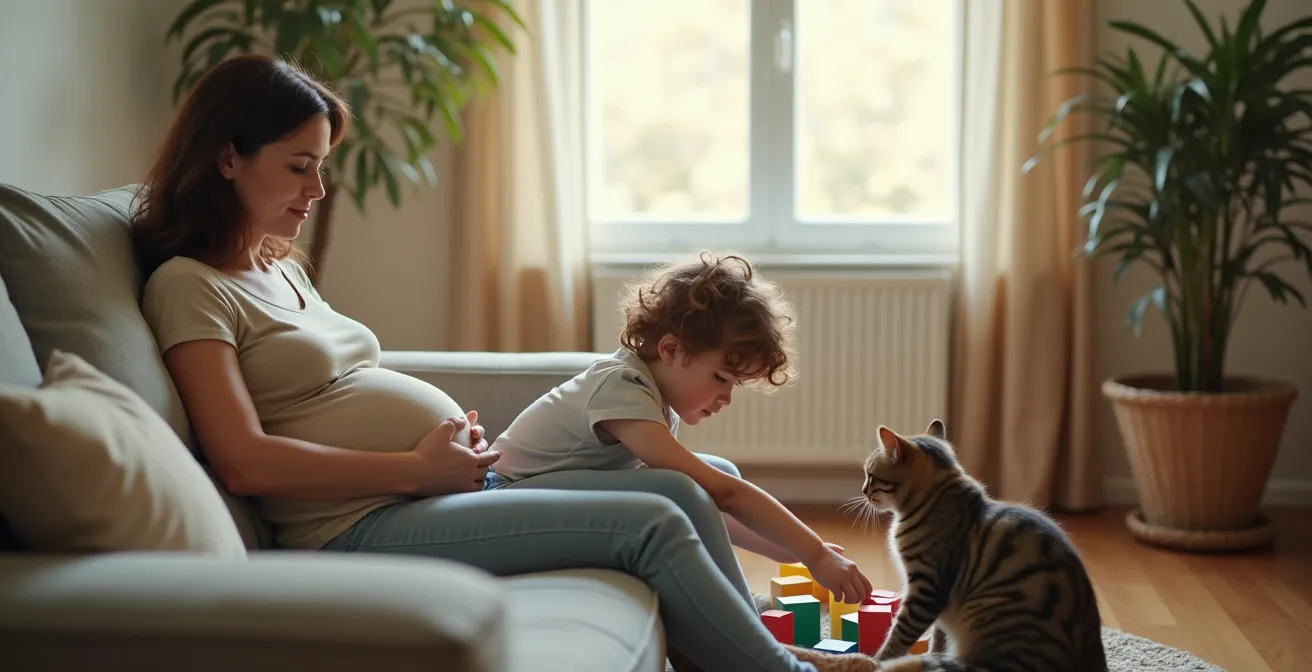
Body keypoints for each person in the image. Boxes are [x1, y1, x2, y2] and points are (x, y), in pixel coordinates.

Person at [131, 54, 877, 672]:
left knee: (678, 492)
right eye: (299, 167)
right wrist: (414, 472)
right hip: (357, 524)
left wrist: (441, 466)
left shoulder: (281, 270)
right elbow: (243, 463)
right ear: (228, 156)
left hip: (441, 492)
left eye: (321, 165)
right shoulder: (189, 286)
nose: (317, 190)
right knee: (653, 518)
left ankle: (753, 645)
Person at [487, 251, 874, 606]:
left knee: (717, 470)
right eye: (721, 376)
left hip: (543, 498)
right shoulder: (621, 388)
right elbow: (722, 495)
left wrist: (793, 552)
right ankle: (735, 615)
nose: (725, 398)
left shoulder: (650, 396)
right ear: (671, 350)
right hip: (504, 501)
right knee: (686, 484)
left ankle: (736, 603)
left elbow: (712, 504)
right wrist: (814, 552)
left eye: (733, 384)